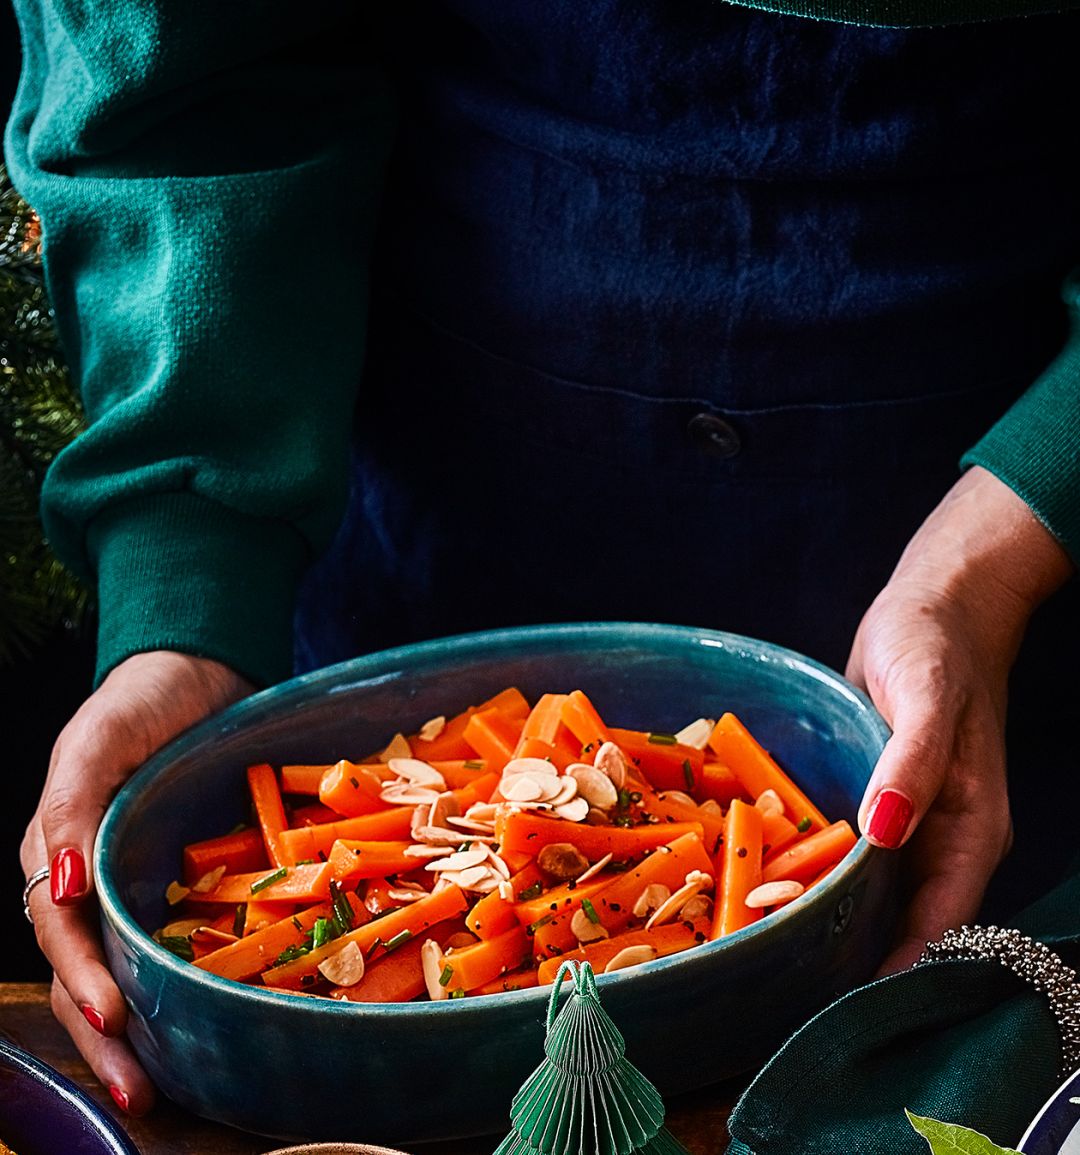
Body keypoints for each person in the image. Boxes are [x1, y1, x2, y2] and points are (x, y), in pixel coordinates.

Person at [7, 0, 1078, 1122]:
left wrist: (990, 565)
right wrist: (187, 591)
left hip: (1010, 557)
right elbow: (184, 89)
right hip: (420, 461)